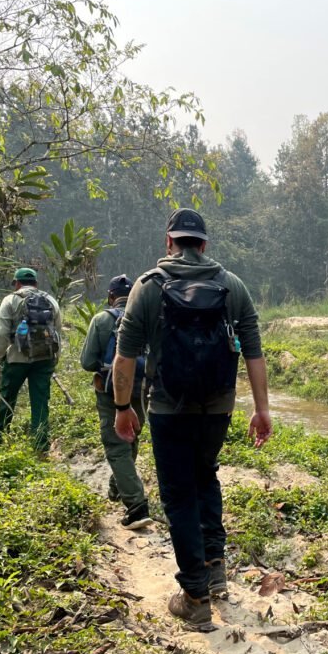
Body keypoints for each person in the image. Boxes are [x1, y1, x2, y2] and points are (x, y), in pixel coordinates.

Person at [111, 208, 272, 631]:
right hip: (218, 408)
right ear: (203, 245)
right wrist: (261, 409)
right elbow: (253, 350)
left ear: (169, 242)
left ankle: (196, 596)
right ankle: (215, 567)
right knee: (206, 477)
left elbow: (125, 356)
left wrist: (122, 407)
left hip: (168, 407)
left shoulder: (147, 288)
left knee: (179, 495)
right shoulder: (231, 285)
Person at [79, 274, 152, 530]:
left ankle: (136, 505)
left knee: (116, 444)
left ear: (111, 297)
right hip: (142, 389)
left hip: (110, 392)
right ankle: (117, 486)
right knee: (131, 436)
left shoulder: (102, 320)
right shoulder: (145, 319)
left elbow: (87, 362)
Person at [0, 267, 63, 454]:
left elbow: (1, 332)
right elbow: (57, 332)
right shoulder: (51, 301)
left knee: (8, 398)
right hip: (44, 358)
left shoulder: (11, 300)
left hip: (16, 358)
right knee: (40, 401)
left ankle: (0, 438)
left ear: (17, 284)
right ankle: (40, 444)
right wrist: (55, 358)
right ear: (36, 284)